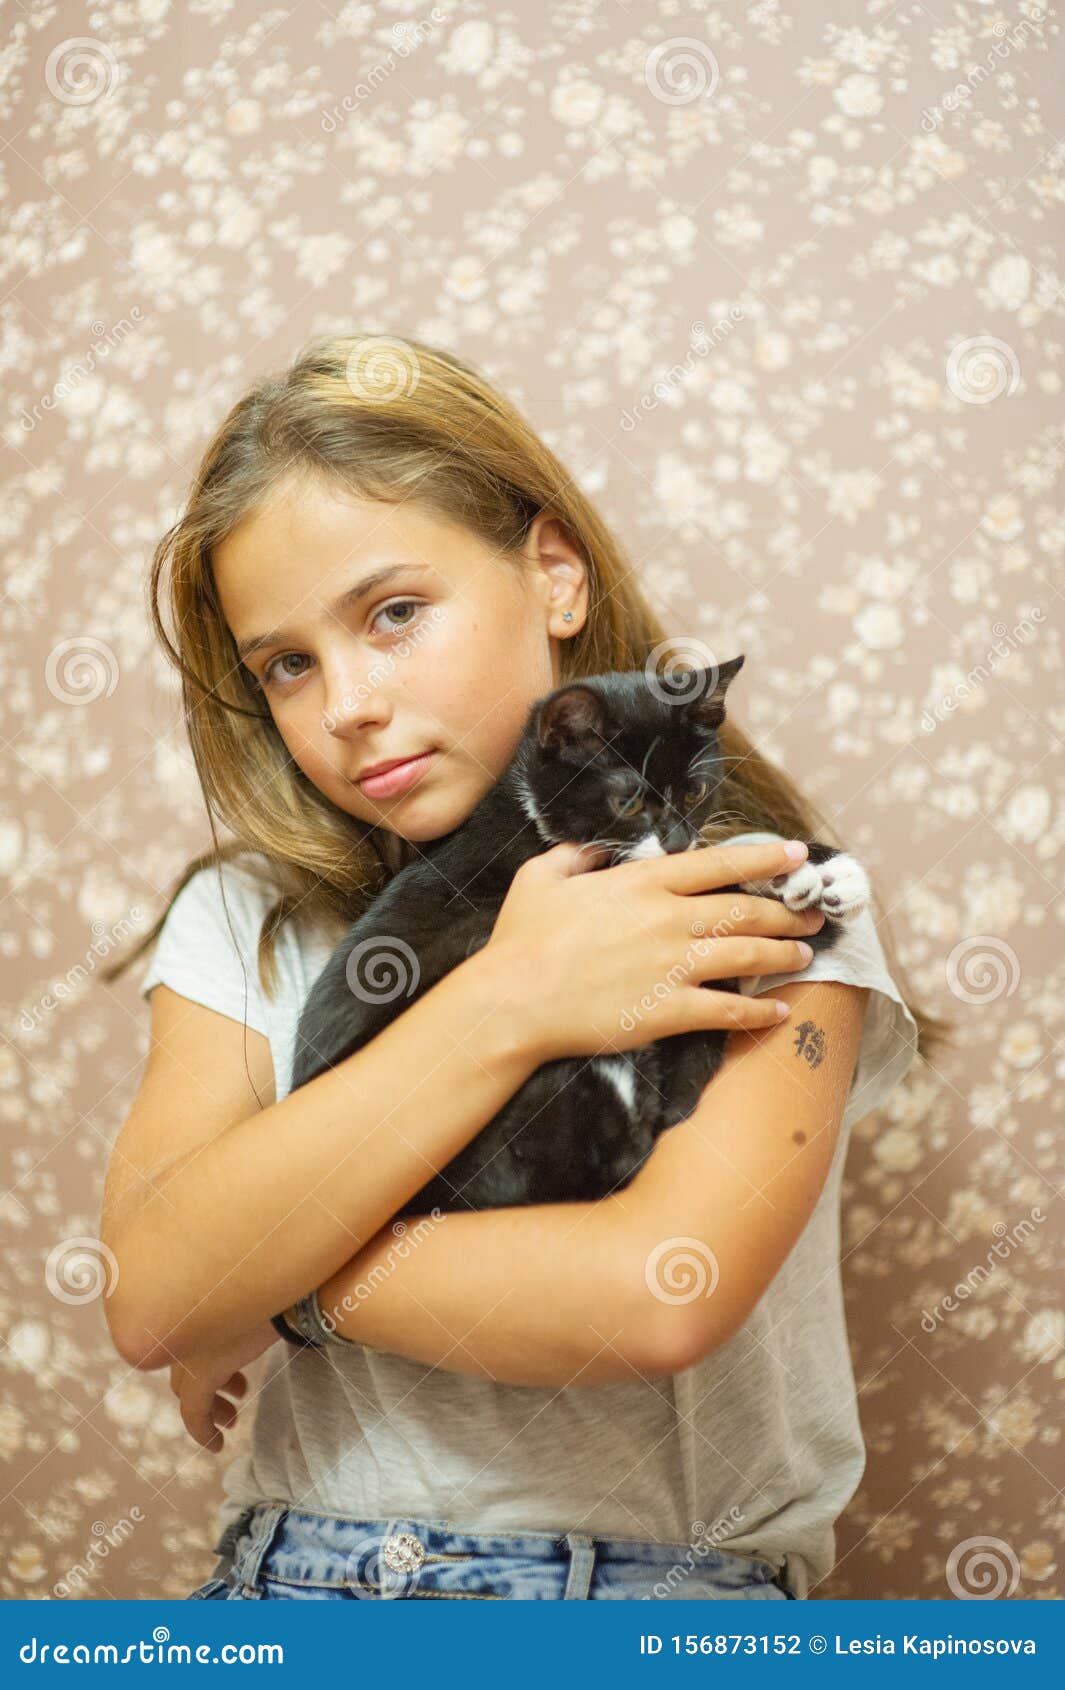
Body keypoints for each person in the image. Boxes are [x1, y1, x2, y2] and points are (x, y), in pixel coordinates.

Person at [100, 332, 949, 1603]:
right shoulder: (246, 918)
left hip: (666, 1599)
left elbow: (658, 1294)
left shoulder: (764, 893)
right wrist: (510, 999)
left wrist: (273, 1282)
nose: (345, 705)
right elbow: (152, 1297)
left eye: (394, 614)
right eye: (287, 663)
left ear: (553, 576)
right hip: (298, 1582)